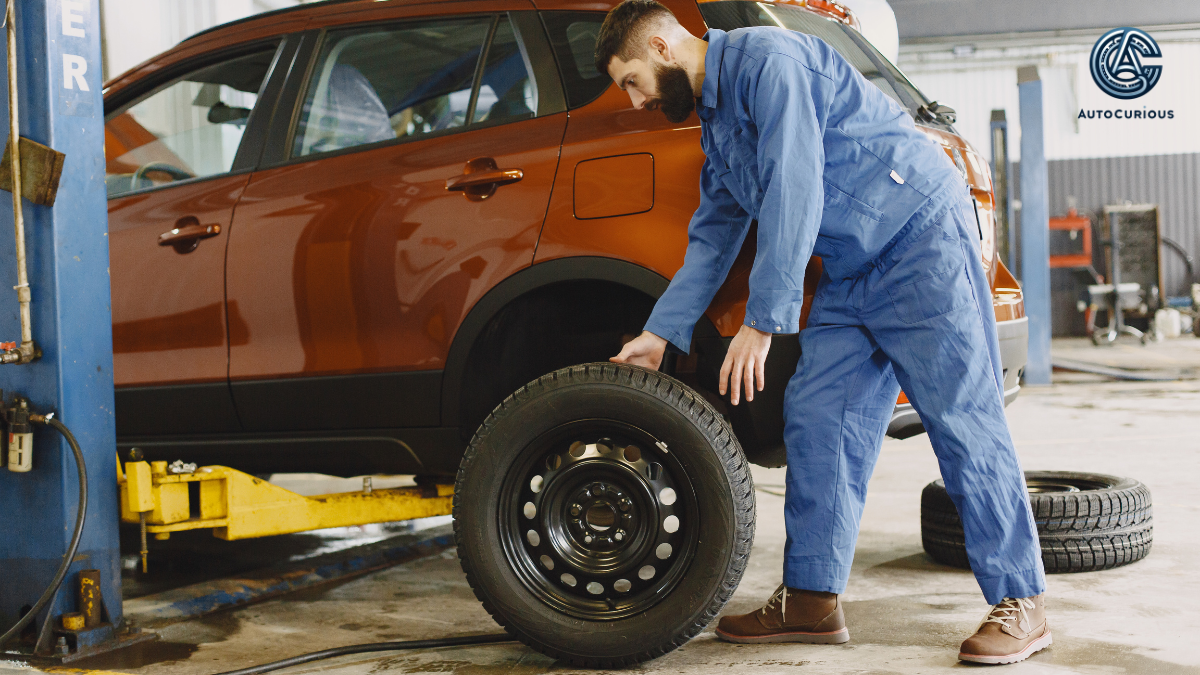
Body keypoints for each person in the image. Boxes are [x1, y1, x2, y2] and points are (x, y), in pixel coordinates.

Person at [598, 0, 1050, 665]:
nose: (634, 101)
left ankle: (1022, 601)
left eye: (631, 80)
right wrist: (661, 331)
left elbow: (796, 185)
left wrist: (763, 321)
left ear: (664, 47)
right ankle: (812, 599)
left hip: (918, 240)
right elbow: (716, 231)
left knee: (962, 418)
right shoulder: (717, 119)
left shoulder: (768, 63)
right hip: (851, 267)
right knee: (819, 417)